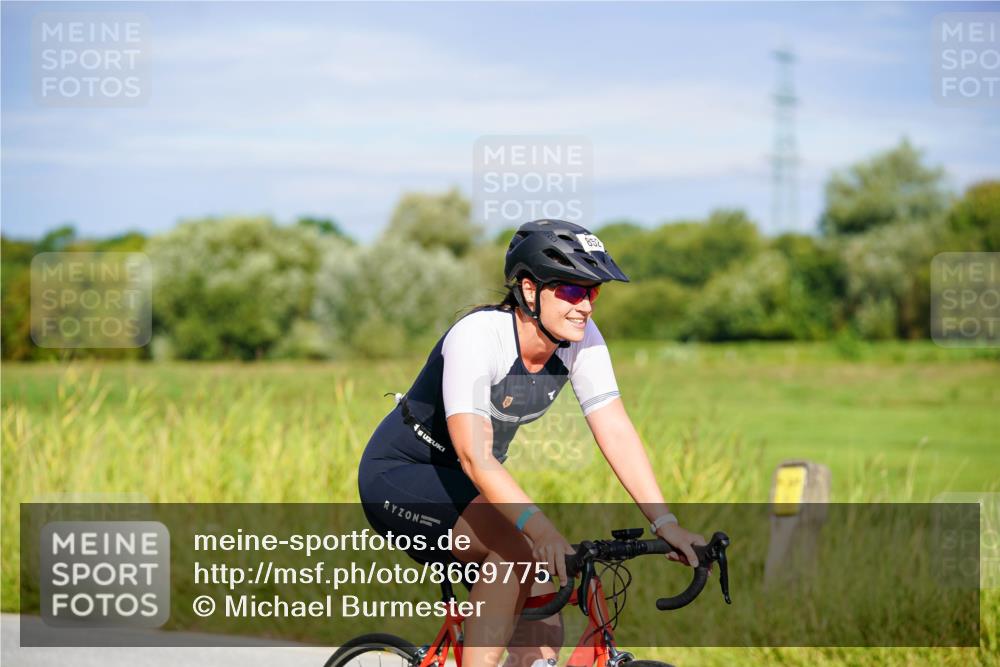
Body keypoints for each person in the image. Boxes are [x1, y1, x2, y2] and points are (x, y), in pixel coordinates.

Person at [358, 219, 707, 667]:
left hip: (471, 488)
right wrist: (542, 531)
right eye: (572, 291)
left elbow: (615, 430)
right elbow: (475, 455)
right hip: (404, 475)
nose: (586, 306)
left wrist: (667, 525)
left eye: (593, 292)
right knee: (516, 551)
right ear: (528, 289)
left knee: (545, 591)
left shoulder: (579, 341)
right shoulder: (479, 336)